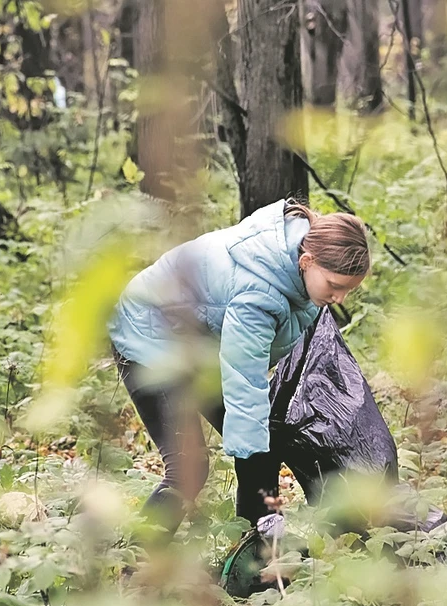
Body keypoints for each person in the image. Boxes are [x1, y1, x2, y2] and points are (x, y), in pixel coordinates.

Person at [108, 198, 371, 545]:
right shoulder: (258, 294)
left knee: (263, 448)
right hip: (147, 337)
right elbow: (245, 384)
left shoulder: (304, 265)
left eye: (347, 291)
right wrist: (263, 499)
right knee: (190, 467)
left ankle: (256, 563)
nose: (338, 298)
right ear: (307, 261)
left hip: (196, 346)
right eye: (334, 286)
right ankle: (133, 562)